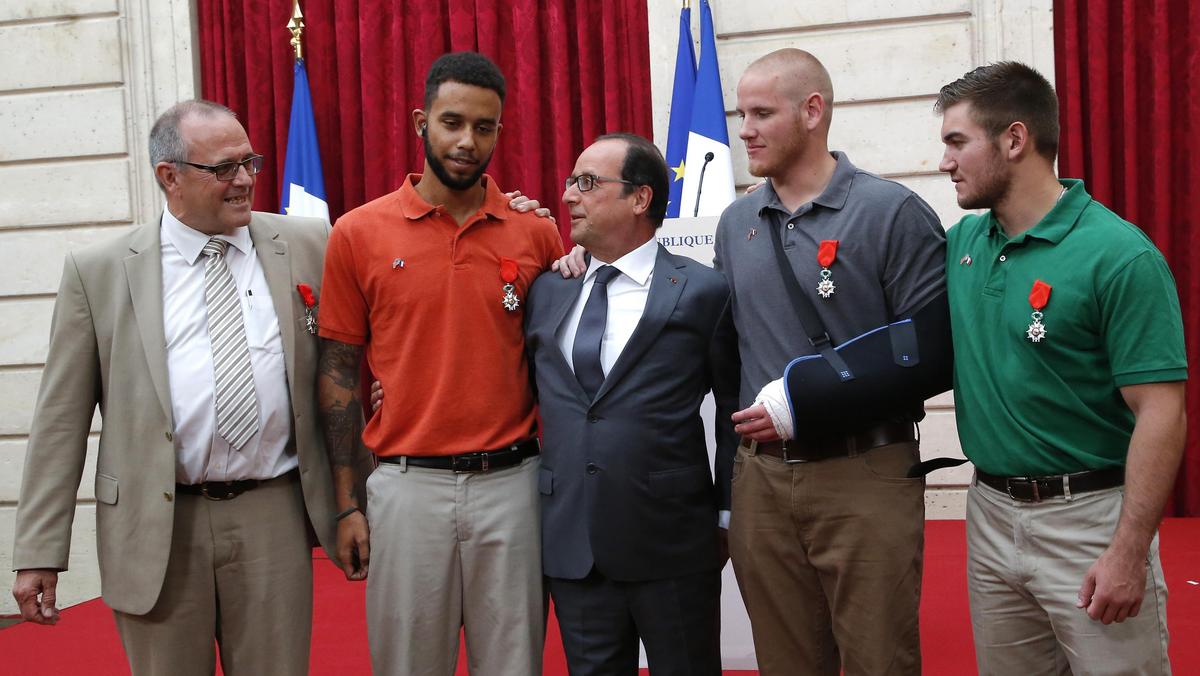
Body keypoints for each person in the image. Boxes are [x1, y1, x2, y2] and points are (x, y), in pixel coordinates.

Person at [10, 99, 338, 675]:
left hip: (272, 514)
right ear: (170, 177)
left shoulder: (313, 246)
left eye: (250, 162)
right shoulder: (102, 271)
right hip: (157, 524)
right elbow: (61, 420)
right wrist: (40, 550)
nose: (244, 181)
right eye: (223, 169)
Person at [316, 52, 564, 675]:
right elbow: (341, 373)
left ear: (499, 133)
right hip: (405, 488)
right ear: (421, 122)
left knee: (513, 665)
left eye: (484, 128)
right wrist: (347, 505)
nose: (466, 141)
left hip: (513, 486)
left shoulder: (536, 233)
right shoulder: (356, 233)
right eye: (452, 123)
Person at [937, 62, 1186, 675]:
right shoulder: (963, 244)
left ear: (1015, 140)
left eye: (956, 142)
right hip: (990, 514)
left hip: (1090, 521)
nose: (945, 161)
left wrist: (1128, 552)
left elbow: (1163, 410)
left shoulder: (1120, 256)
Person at [716, 49, 947, 675]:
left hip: (864, 472)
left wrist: (807, 402)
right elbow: (720, 352)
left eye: (762, 113)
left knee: (880, 662)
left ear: (813, 111)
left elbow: (932, 356)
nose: (745, 131)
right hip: (760, 483)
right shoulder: (736, 223)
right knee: (785, 664)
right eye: (742, 113)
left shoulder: (891, 214)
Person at [524, 133, 739, 675]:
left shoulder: (703, 292)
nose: (570, 195)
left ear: (640, 199)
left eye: (588, 183)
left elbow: (733, 411)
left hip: (671, 539)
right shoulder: (549, 289)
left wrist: (727, 512)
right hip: (573, 539)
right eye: (571, 181)